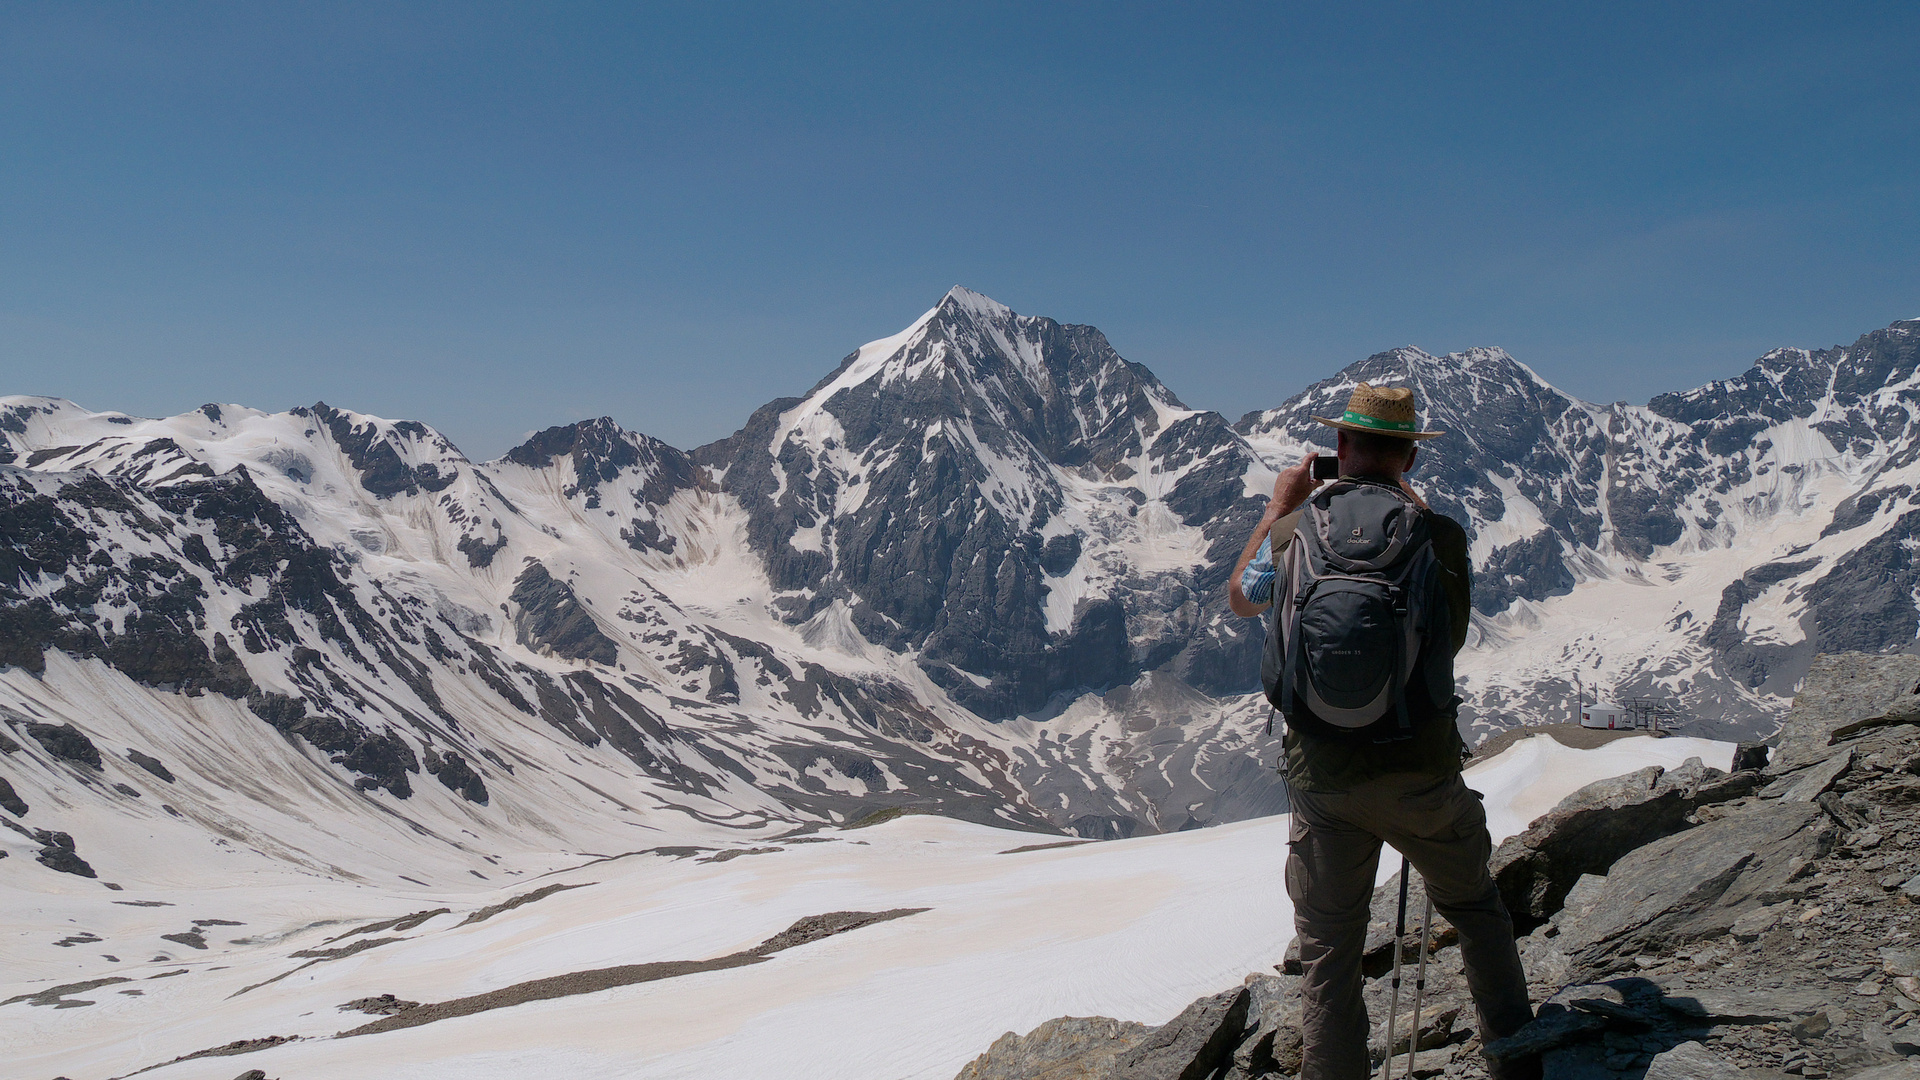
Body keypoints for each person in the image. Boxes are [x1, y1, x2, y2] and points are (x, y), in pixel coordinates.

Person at [1226, 383, 1538, 1080]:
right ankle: (1516, 1061)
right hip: (1420, 774)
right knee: (1475, 909)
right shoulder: (1440, 537)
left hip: (1323, 781)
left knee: (1330, 947)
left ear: (1340, 447)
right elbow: (1448, 636)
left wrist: (1281, 505)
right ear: (1410, 459)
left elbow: (1242, 599)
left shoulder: (1292, 534)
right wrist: (1410, 508)